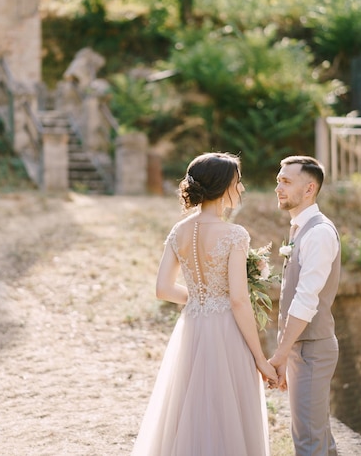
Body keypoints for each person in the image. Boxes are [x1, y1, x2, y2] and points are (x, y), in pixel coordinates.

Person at [131, 152, 278, 456]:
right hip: (226, 332)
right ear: (223, 186)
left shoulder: (179, 231)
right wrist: (261, 359)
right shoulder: (235, 234)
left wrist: (201, 299)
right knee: (226, 411)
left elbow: (163, 289)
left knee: (190, 406)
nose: (242, 189)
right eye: (238, 183)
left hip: (192, 326)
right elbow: (238, 300)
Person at [269, 155, 341, 456]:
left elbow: (305, 300)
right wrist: (287, 355)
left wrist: (280, 353)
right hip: (303, 348)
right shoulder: (300, 227)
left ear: (309, 189)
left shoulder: (319, 233)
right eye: (278, 181)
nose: (278, 188)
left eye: (286, 182)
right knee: (318, 437)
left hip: (312, 349)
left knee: (309, 442)